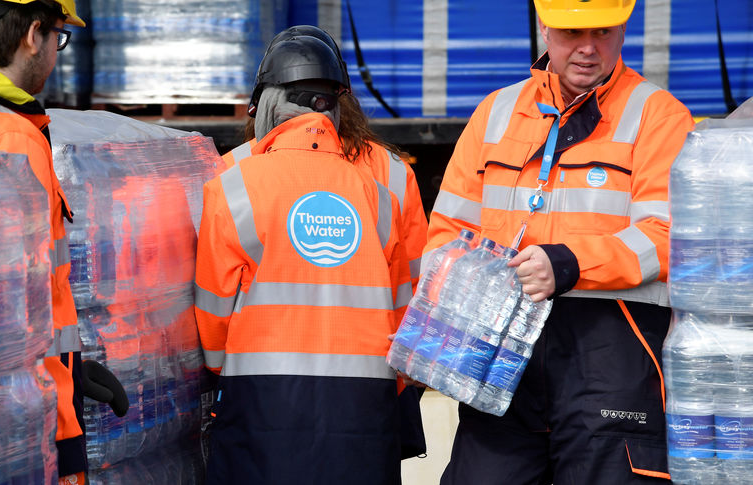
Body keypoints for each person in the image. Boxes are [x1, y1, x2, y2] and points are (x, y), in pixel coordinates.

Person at [425, 0, 694, 483]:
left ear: (623, 30)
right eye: (572, 33)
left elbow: (671, 235)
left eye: (604, 32)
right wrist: (448, 324)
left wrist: (570, 263)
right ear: (545, 30)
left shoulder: (658, 116)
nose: (589, 49)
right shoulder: (496, 112)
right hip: (500, 351)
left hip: (610, 351)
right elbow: (447, 233)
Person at [195, 33, 412, 484]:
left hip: (261, 394)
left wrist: (223, 370)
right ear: (337, 103)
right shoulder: (384, 190)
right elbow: (408, 304)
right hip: (365, 402)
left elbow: (214, 307)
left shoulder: (232, 178)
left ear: (268, 104)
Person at [0, 1, 126, 483]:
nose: (56, 52)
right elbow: (21, 311)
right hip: (9, 425)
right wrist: (64, 424)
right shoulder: (9, 135)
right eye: (58, 38)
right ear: (33, 34)